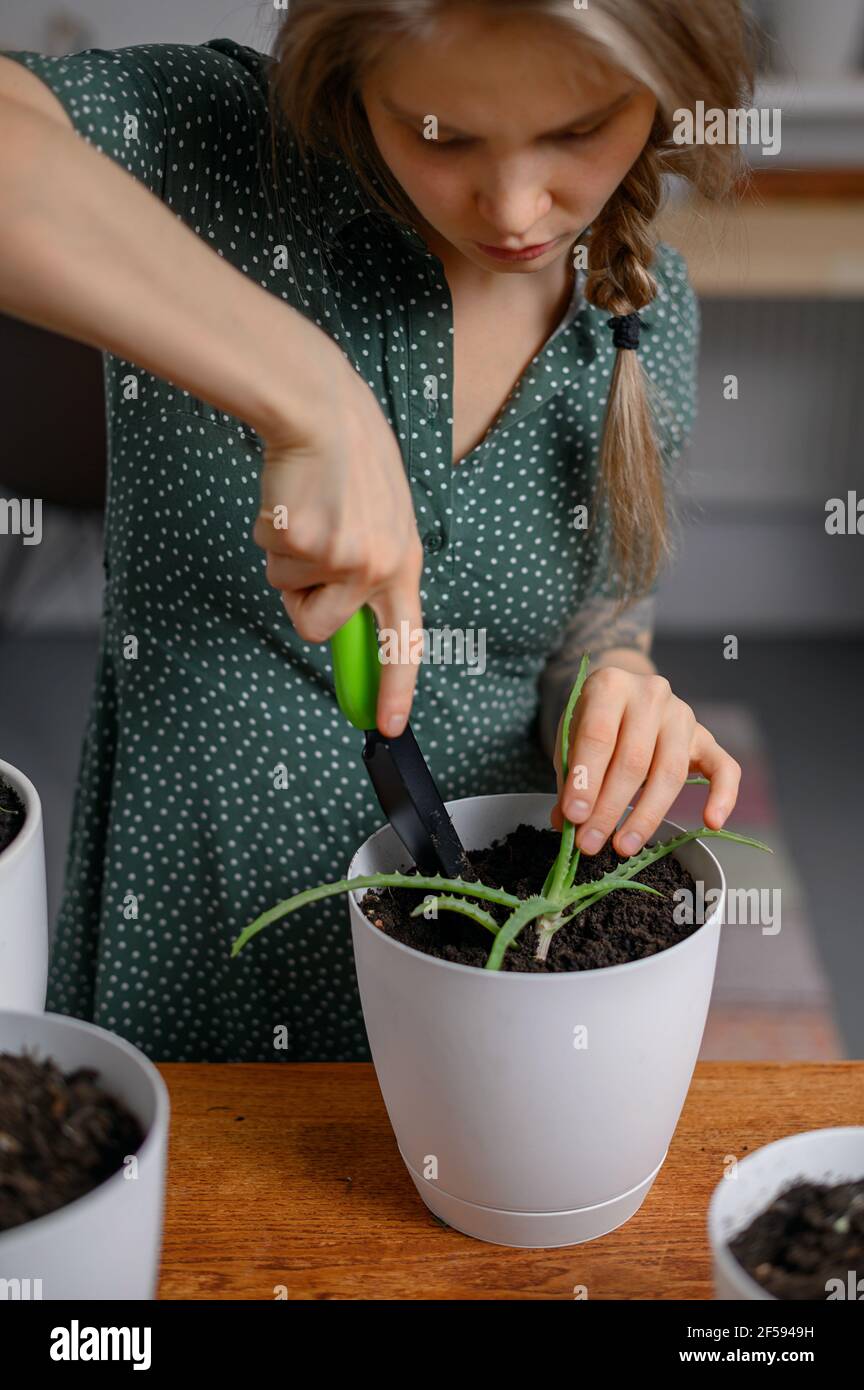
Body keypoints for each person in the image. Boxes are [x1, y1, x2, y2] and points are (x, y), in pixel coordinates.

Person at [0, 1, 753, 1061]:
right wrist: (306, 392)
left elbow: (595, 636)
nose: (516, 206)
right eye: (441, 134)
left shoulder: (647, 308)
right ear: (353, 73)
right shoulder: (224, 147)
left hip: (482, 995)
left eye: (580, 131)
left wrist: (615, 695)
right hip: (189, 959)